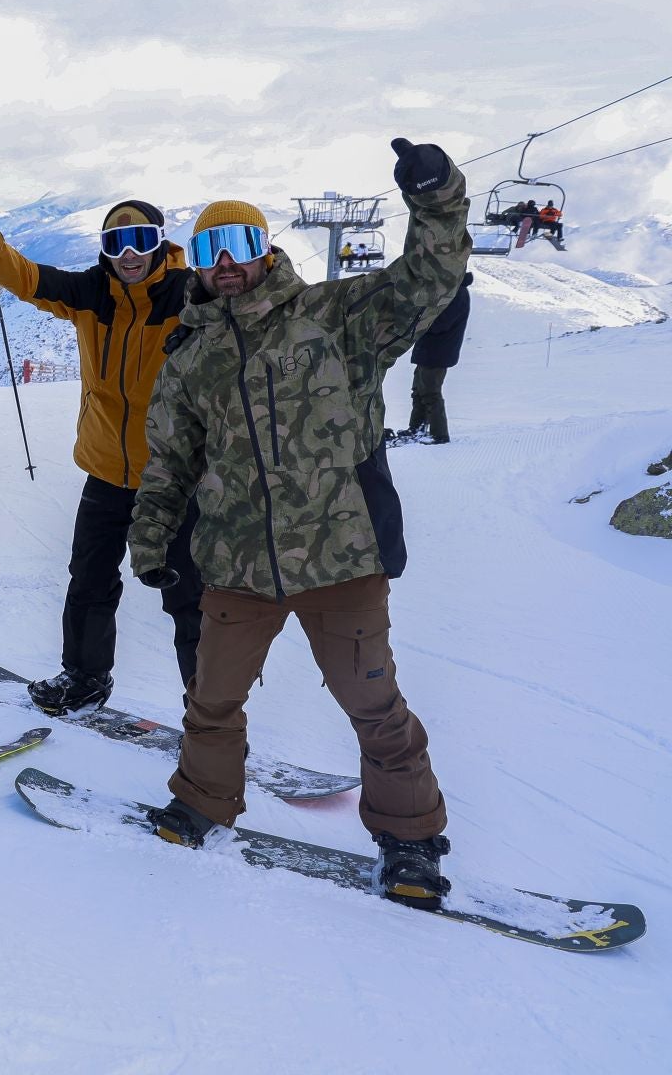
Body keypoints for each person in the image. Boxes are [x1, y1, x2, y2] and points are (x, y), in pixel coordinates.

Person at [127, 137, 469, 910]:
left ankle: (410, 838)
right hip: (238, 565)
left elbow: (430, 279)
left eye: (240, 243)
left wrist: (436, 194)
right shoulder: (190, 357)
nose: (225, 261)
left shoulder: (336, 317)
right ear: (197, 260)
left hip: (340, 558)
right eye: (210, 247)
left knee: (374, 707)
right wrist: (150, 542)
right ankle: (201, 803)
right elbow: (169, 461)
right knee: (211, 698)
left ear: (265, 249)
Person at [0, 201, 202, 713]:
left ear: (162, 244)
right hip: (106, 471)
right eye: (115, 244)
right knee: (89, 581)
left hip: (178, 477)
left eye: (142, 240)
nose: (129, 254)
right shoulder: (92, 293)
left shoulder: (190, 295)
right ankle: (83, 678)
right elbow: (31, 278)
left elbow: (253, 299)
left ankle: (209, 706)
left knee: (192, 600)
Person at [400, 271, 472, 444]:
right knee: (418, 391)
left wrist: (420, 317)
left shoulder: (458, 293)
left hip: (438, 351)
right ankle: (416, 429)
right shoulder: (447, 291)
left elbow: (441, 323)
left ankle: (439, 435)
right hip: (429, 349)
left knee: (430, 393)